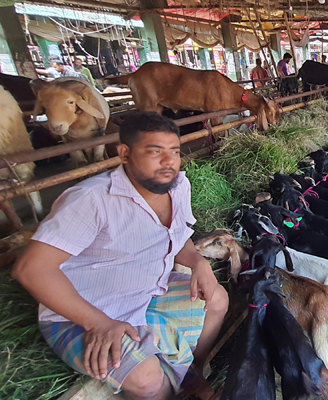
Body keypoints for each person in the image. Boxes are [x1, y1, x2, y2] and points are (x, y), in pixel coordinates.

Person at [12, 112, 229, 399]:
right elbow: (31, 269)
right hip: (83, 313)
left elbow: (178, 236)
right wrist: (97, 323)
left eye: (174, 152)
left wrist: (197, 261)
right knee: (147, 380)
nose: (169, 162)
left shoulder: (178, 186)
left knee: (217, 298)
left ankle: (192, 373)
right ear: (124, 154)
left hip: (145, 293)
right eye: (155, 151)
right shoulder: (91, 199)